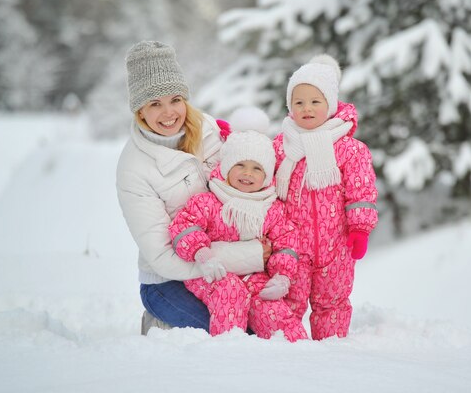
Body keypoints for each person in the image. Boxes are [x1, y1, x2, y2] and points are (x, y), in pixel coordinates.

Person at [116, 40, 267, 335]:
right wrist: (250, 256)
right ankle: (160, 321)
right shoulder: (134, 168)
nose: (169, 112)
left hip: (228, 269)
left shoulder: (208, 130)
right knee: (236, 333)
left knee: (265, 321)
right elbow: (162, 256)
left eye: (175, 99)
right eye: (155, 104)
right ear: (140, 111)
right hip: (168, 281)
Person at [168, 107, 308, 342]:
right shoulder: (209, 201)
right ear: (226, 167)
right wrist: (201, 252)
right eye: (240, 165)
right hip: (212, 274)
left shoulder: (270, 208)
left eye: (256, 168)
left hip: (253, 277)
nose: (247, 174)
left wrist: (282, 275)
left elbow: (286, 241)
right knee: (230, 292)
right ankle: (229, 351)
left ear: (267, 175)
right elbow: (184, 227)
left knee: (269, 305)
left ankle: (297, 352)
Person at [273, 54, 379, 340]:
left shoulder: (349, 149)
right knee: (288, 304)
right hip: (292, 247)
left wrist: (360, 229)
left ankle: (331, 359)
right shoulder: (281, 148)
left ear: (330, 105)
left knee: (332, 304)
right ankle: (286, 356)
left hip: (337, 246)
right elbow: (252, 173)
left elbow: (361, 190)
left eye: (315, 102)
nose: (306, 108)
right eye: (299, 102)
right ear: (290, 107)